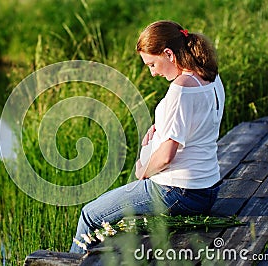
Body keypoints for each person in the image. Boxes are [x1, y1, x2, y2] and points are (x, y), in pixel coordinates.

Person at [69, 20, 225, 254]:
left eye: (152, 64)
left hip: (176, 192)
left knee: (90, 216)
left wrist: (143, 172)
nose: (153, 73)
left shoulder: (181, 88)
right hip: (206, 189)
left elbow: (166, 157)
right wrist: (161, 125)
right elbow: (199, 122)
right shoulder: (210, 77)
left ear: (168, 54)